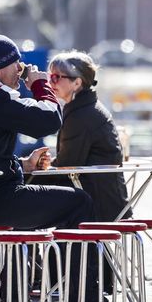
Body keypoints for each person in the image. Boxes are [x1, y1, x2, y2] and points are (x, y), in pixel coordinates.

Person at [0, 34, 118, 302]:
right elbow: (48, 120)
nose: (20, 71)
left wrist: (21, 165)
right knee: (79, 203)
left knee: (22, 212)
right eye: (17, 65)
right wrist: (39, 84)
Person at [45, 51, 130, 223]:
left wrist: (34, 170)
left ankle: (26, 248)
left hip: (95, 208)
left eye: (56, 77)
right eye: (49, 76)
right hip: (106, 202)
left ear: (77, 83)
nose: (50, 82)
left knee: (28, 201)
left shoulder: (81, 116)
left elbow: (66, 166)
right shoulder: (86, 108)